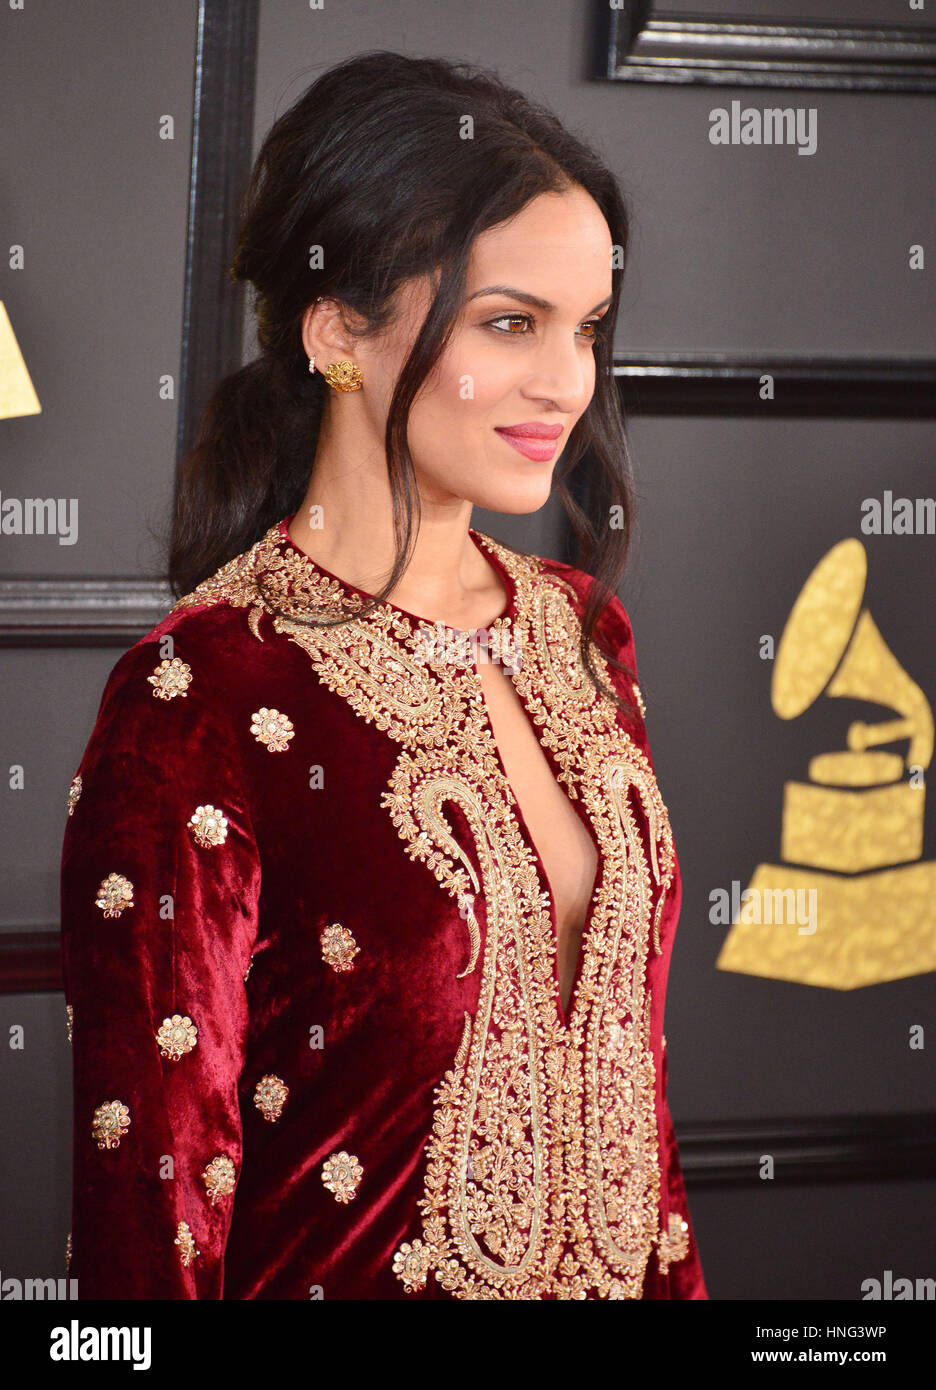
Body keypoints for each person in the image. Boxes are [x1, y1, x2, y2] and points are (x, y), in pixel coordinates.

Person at [60, 50, 707, 1300]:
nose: (568, 381)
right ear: (338, 330)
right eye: (511, 322)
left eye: (588, 329)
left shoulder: (583, 637)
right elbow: (150, 1216)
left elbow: (639, 1123)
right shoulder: (202, 695)